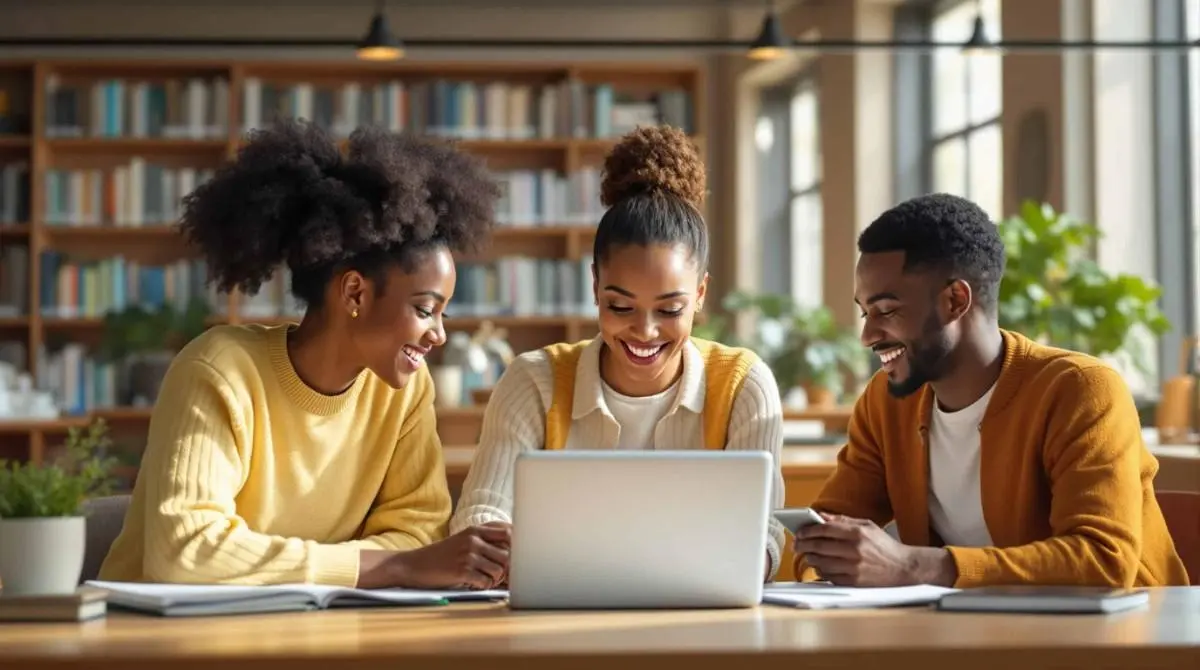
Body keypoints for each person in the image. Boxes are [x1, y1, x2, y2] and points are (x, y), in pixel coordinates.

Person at [98, 120, 513, 590]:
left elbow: (421, 535)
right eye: (424, 310)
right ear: (354, 293)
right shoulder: (219, 371)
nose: (438, 335)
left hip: (303, 629)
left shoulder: (404, 390)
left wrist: (388, 563)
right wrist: (387, 566)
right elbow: (186, 551)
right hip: (153, 641)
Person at [792, 193, 1189, 588]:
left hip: (1122, 639)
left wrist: (916, 567)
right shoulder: (886, 402)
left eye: (887, 311)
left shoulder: (1081, 390)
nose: (867, 335)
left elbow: (1102, 562)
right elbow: (828, 525)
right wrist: (823, 565)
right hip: (972, 638)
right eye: (865, 312)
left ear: (955, 300)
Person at [449, 125, 787, 580]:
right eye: (620, 306)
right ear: (594, 286)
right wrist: (497, 550)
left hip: (701, 621)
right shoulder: (533, 382)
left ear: (701, 293)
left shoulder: (744, 384)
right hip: (557, 620)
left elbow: (764, 533)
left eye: (669, 308)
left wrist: (743, 563)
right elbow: (480, 515)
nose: (644, 331)